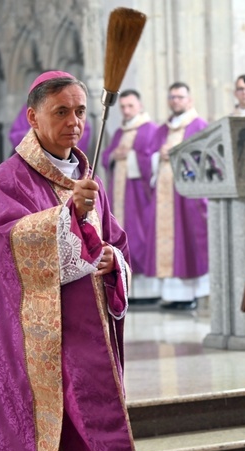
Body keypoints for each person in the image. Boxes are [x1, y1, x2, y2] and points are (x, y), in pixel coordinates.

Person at [0, 71, 138, 451]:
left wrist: (114, 262)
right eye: (61, 112)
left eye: (80, 111)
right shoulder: (11, 177)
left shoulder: (87, 176)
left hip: (91, 343)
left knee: (96, 439)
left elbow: (112, 242)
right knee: (40, 445)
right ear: (33, 118)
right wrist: (66, 215)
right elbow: (8, 248)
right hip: (40, 345)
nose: (74, 121)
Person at [148, 82, 209, 310]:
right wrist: (158, 156)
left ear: (189, 100)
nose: (176, 101)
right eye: (172, 97)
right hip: (164, 195)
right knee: (169, 243)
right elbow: (149, 157)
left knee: (189, 241)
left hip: (188, 197)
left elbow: (207, 159)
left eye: (180, 97)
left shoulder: (199, 126)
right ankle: (174, 295)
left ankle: (193, 294)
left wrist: (177, 154)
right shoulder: (162, 130)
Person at [102, 89, 161, 301]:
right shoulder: (120, 132)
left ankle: (149, 291)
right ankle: (127, 290)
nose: (126, 111)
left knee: (141, 238)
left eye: (130, 106)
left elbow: (152, 160)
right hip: (121, 197)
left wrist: (132, 157)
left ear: (140, 106)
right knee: (120, 236)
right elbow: (106, 156)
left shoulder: (150, 129)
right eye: (123, 107)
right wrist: (113, 156)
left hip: (140, 196)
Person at [9, 100, 93, 155]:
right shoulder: (33, 108)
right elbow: (16, 134)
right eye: (61, 113)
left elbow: (84, 131)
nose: (72, 122)